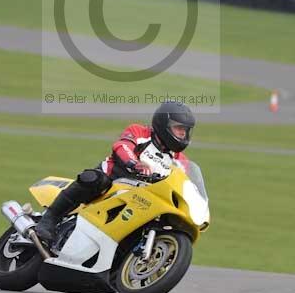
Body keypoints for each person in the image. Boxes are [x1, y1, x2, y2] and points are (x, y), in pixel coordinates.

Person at [35, 100, 196, 246]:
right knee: (93, 179)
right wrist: (134, 163)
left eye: (186, 130)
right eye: (178, 128)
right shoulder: (139, 132)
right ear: (163, 124)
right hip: (112, 182)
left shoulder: (181, 161)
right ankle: (50, 218)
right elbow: (122, 146)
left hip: (141, 198)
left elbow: (183, 185)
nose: (183, 134)